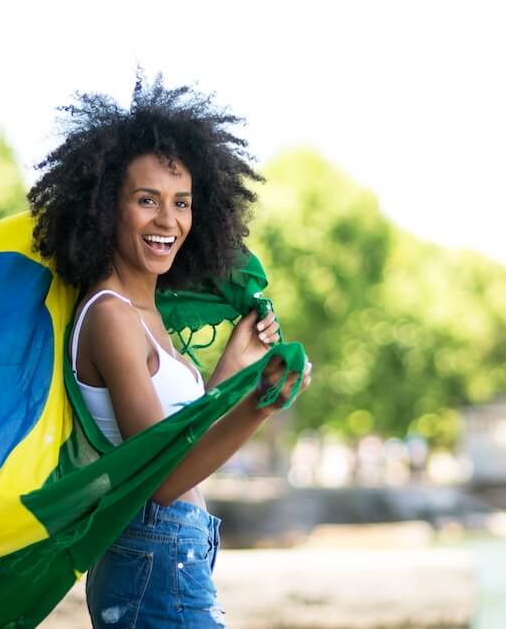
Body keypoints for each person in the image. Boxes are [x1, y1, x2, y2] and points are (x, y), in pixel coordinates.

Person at [27, 71, 312, 628]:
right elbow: (158, 481)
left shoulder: (146, 313)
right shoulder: (110, 316)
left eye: (182, 203)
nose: (169, 220)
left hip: (171, 556)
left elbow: (174, 441)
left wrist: (235, 369)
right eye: (146, 200)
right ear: (106, 206)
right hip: (152, 557)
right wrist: (261, 404)